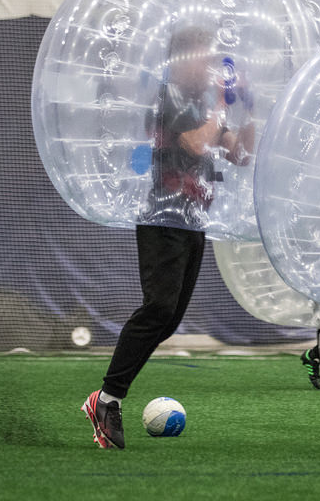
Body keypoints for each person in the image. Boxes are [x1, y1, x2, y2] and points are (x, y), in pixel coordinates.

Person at [81, 25, 254, 449]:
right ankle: (106, 400)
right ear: (181, 59)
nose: (211, 62)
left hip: (193, 220)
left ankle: (107, 397)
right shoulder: (168, 98)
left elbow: (239, 153)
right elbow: (197, 144)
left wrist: (250, 112)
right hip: (162, 218)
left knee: (170, 317)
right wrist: (219, 102)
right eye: (203, 55)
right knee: (158, 308)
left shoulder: (205, 102)